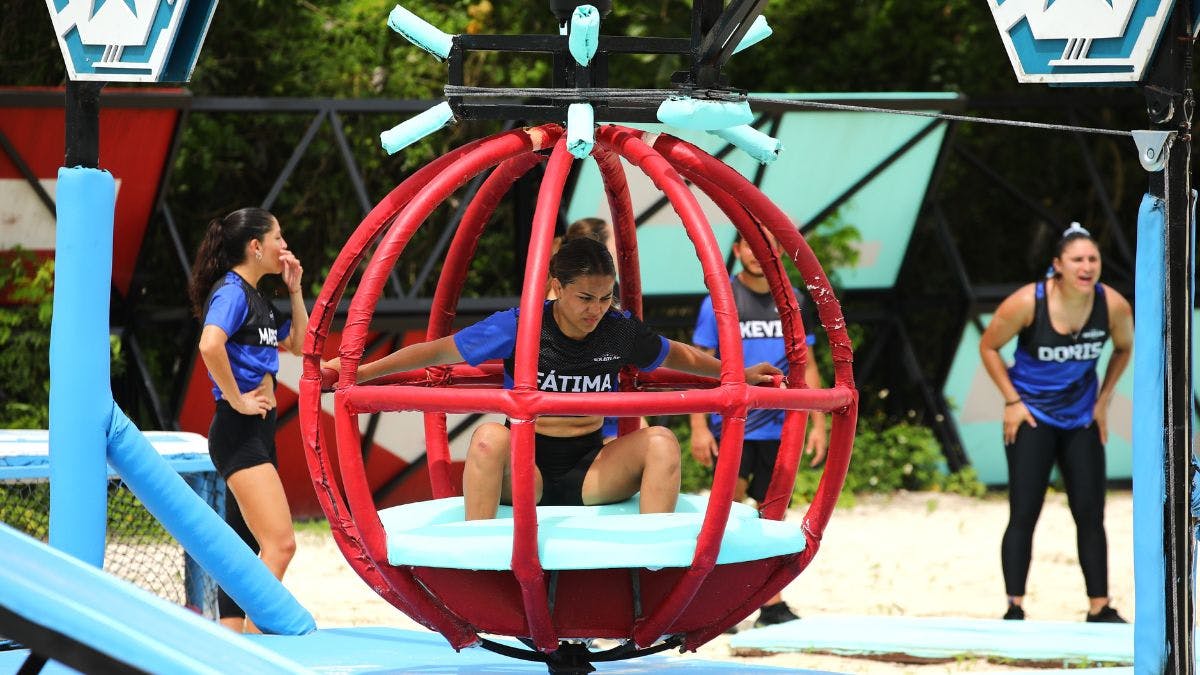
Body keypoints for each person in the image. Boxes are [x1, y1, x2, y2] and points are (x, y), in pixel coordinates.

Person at [327, 237, 780, 520]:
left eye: (604, 298)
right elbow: (435, 351)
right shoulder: (520, 325)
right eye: (585, 298)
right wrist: (360, 372)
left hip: (593, 468)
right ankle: (481, 569)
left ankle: (652, 572)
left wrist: (737, 373)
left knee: (661, 441)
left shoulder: (618, 329)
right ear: (557, 287)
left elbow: (678, 354)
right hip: (527, 469)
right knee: (487, 436)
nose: (595, 310)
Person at [978, 222, 1133, 623]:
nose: (1087, 267)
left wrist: (1103, 400)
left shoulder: (1113, 305)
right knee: (1024, 511)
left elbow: (1124, 348)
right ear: (1058, 265)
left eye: (1093, 259)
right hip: (1032, 415)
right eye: (1077, 259)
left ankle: (1099, 607)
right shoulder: (1028, 302)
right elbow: (989, 347)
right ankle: (1014, 606)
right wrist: (1012, 401)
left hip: (1081, 417)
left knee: (1090, 512)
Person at [689, 229, 827, 629]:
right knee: (727, 514)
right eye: (749, 244)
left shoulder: (793, 300)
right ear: (736, 250)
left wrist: (818, 423)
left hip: (782, 428)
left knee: (773, 513)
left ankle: (770, 603)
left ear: (779, 251)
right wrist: (698, 426)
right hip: (732, 425)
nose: (756, 252)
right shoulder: (721, 300)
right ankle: (717, 601)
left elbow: (807, 364)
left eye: (766, 245)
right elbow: (698, 364)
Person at [188, 207, 308, 632]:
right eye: (278, 238)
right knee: (281, 545)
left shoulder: (258, 297)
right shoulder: (232, 292)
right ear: (256, 246)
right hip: (238, 431)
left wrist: (295, 291)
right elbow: (210, 344)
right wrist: (236, 399)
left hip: (256, 432)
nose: (285, 246)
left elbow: (299, 344)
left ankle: (232, 639)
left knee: (244, 550)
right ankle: (257, 650)